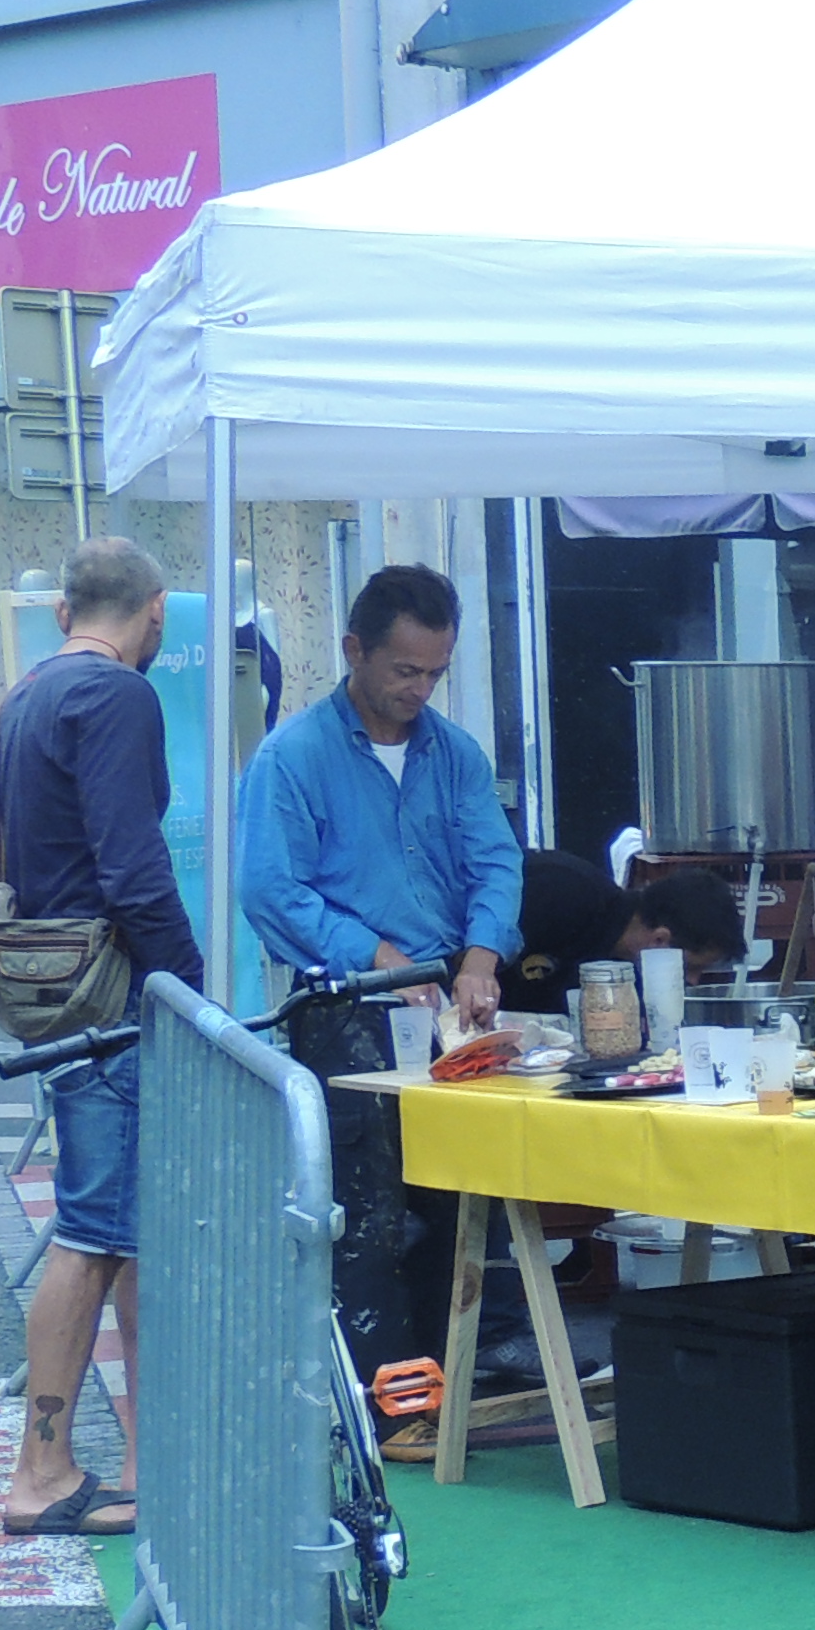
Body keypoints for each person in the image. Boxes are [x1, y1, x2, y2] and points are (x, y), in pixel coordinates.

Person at [239, 563, 528, 1367]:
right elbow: (269, 888)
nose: (420, 689)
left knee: (468, 1195)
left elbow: (495, 863)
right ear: (353, 650)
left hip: (446, 1001)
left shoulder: (455, 753)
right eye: (405, 670)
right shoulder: (293, 756)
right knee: (367, 1209)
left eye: (435, 672)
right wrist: (378, 958)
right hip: (349, 1005)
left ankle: (472, 1365)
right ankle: (386, 1388)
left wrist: (479, 958)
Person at [0, 538, 198, 1539]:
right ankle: (43, 1470)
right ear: (154, 612)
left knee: (124, 1232)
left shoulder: (29, 692)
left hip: (53, 990)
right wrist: (189, 990)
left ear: (69, 609)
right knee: (95, 1234)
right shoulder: (118, 698)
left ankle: (151, 1461)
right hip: (110, 998)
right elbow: (133, 867)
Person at [501, 853, 747, 1019]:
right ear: (660, 940)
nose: (693, 981)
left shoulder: (629, 977)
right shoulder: (562, 894)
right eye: (689, 967)